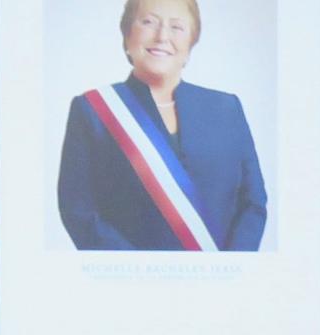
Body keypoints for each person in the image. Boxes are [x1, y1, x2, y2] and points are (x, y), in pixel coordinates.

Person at [56, 0, 266, 251]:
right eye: (148, 22)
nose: (162, 36)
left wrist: (230, 271)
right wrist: (139, 274)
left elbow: (253, 202)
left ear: (191, 42)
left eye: (176, 27)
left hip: (220, 284)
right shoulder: (92, 109)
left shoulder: (226, 108)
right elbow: (78, 210)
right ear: (127, 34)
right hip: (125, 283)